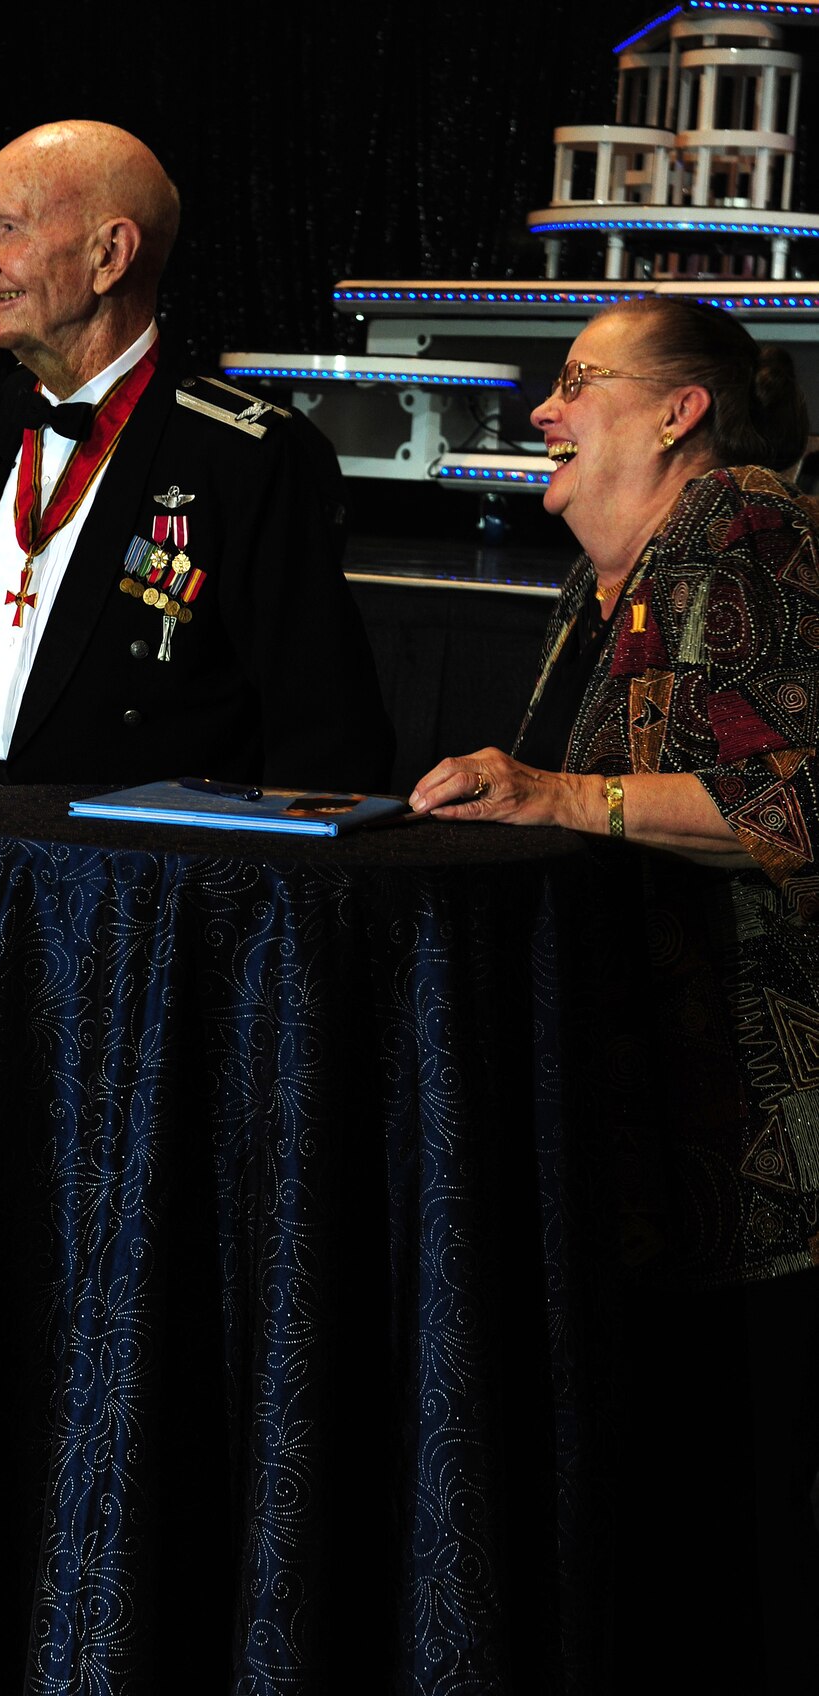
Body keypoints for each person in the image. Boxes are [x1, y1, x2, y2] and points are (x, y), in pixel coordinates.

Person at [408, 294, 819, 1693]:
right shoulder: (616, 582)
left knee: (753, 1565)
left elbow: (797, 799)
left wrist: (555, 793)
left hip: (758, 1179)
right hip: (659, 1170)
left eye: (577, 380)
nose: (540, 410)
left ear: (678, 412)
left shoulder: (739, 529)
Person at [0, 119, 392, 790]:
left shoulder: (247, 453)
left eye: (7, 228)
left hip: (139, 878)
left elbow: (325, 739)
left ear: (110, 255)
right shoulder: (11, 408)